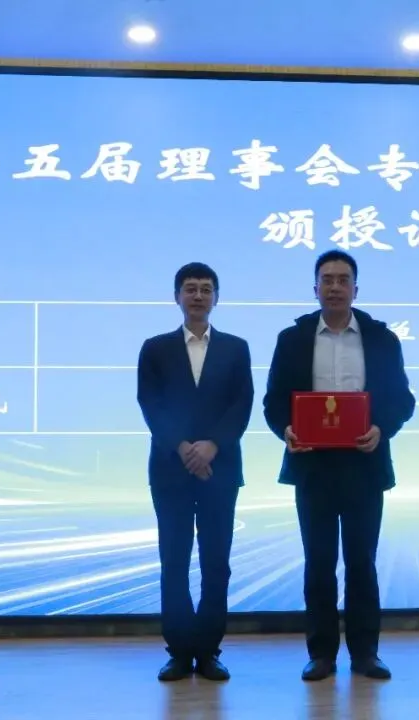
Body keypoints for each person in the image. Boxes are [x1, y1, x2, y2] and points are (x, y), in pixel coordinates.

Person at [263, 249, 416, 682]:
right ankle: (321, 655)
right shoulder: (292, 339)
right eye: (327, 279)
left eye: (342, 279)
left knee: (362, 562)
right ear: (314, 288)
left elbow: (402, 400)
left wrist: (381, 428)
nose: (334, 287)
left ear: (355, 289)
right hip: (313, 466)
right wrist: (286, 430)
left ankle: (366, 654)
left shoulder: (381, 339)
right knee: (318, 562)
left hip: (363, 465)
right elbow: (274, 402)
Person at [136, 262, 254, 682]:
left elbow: (241, 403)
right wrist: (185, 447)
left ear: (216, 298)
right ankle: (179, 651)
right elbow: (150, 403)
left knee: (216, 562)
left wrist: (212, 446)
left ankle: (208, 651)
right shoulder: (155, 348)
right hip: (171, 468)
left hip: (220, 469)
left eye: (206, 289)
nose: (198, 295)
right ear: (177, 297)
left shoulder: (236, 348)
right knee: (174, 560)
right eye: (191, 288)